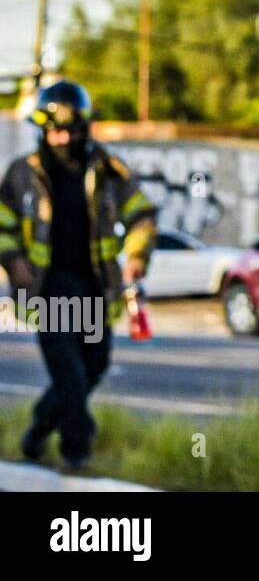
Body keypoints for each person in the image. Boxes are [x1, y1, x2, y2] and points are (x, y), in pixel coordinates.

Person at [0, 80, 157, 469]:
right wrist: (11, 258)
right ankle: (77, 454)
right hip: (46, 290)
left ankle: (36, 433)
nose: (62, 137)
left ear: (86, 127)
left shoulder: (109, 171)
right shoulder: (22, 173)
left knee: (94, 368)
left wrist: (136, 256)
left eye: (70, 129)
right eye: (54, 130)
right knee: (69, 373)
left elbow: (142, 215)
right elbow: (1, 222)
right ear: (42, 129)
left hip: (95, 290)